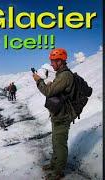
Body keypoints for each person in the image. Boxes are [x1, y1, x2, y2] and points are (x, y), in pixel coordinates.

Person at [32, 48, 76, 180]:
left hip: (63, 116)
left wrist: (38, 81)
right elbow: (56, 90)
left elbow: (48, 92)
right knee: (55, 141)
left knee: (60, 144)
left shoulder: (65, 76)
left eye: (53, 61)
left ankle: (58, 172)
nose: (51, 64)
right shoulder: (61, 75)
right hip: (58, 114)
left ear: (60, 61)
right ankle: (53, 164)